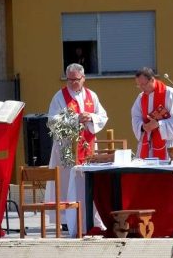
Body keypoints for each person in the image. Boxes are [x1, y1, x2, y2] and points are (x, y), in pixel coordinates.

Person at [45, 63, 108, 231]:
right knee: (67, 183)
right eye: (70, 79)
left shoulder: (91, 96)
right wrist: (75, 120)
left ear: (83, 78)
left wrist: (91, 117)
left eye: (76, 79)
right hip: (66, 149)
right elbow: (52, 121)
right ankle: (67, 220)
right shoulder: (59, 97)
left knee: (88, 181)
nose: (73, 83)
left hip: (87, 146)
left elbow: (103, 116)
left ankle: (91, 217)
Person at [131, 67, 173, 159]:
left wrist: (158, 124)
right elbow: (135, 117)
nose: (141, 88)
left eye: (143, 84)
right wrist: (142, 126)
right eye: (139, 85)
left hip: (167, 146)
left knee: (165, 172)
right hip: (147, 144)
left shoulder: (170, 93)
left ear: (152, 80)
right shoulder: (141, 97)